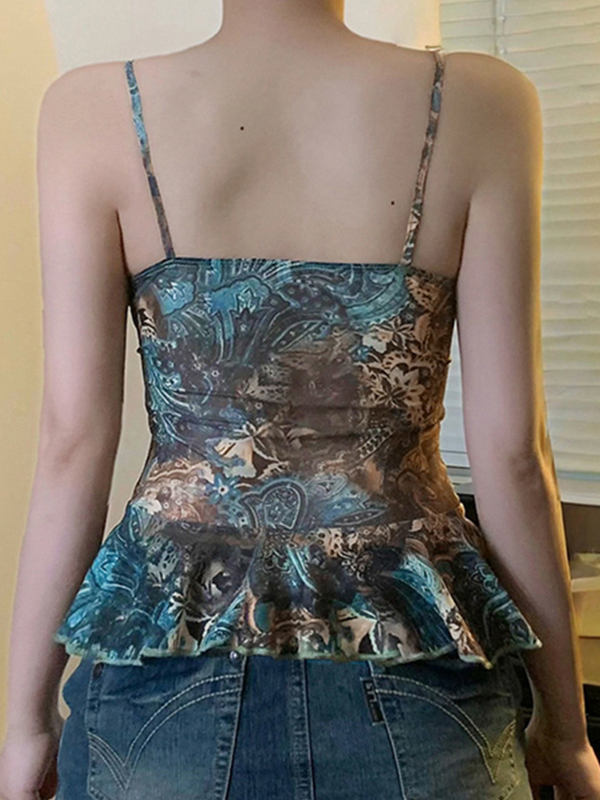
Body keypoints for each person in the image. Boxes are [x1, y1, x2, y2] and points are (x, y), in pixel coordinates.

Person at [1, 0, 599, 798]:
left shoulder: (92, 109)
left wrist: (25, 724)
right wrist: (565, 730)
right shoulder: (483, 102)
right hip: (417, 669)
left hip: (163, 679)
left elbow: (72, 442)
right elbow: (515, 458)